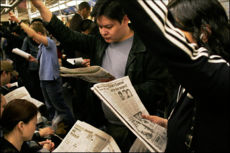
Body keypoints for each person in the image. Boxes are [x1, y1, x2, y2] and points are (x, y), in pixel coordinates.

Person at [30, 0, 175, 151]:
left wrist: (120, 90)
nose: (103, 32)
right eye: (100, 26)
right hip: (103, 122)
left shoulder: (146, 46)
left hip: (132, 128)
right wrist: (41, 7)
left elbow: (159, 86)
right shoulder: (100, 43)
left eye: (108, 27)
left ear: (125, 19)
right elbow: (69, 36)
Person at [117, 0, 230, 152]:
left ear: (204, 33)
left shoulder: (221, 73)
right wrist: (171, 123)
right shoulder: (193, 77)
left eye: (175, 31)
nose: (173, 39)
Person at [9, 12, 75, 135]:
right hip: (44, 79)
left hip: (51, 80)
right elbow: (45, 60)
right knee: (50, 105)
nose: (33, 39)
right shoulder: (42, 47)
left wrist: (19, 21)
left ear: (39, 34)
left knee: (60, 106)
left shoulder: (49, 42)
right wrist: (34, 60)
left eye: (34, 37)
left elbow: (33, 34)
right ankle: (55, 127)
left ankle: (72, 126)